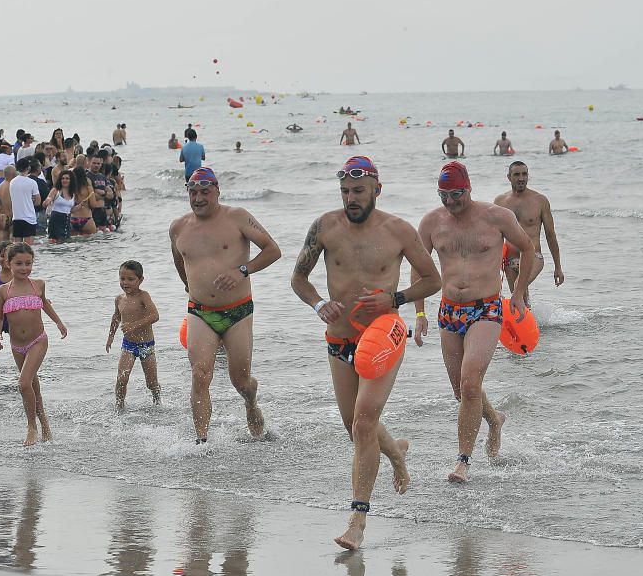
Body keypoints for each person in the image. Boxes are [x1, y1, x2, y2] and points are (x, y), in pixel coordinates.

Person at [290, 155, 442, 550]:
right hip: (340, 340)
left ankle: (358, 519)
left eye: (358, 191)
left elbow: (432, 279)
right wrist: (318, 303)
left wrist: (395, 297)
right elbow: (298, 277)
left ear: (377, 187)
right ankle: (396, 453)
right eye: (345, 192)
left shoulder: (399, 231)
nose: (351, 198)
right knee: (355, 427)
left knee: (363, 423)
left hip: (384, 334)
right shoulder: (324, 227)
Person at [413, 161, 535, 483]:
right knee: (462, 391)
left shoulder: (497, 217)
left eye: (456, 194)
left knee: (470, 383)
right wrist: (420, 313)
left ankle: (463, 462)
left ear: (468, 189)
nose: (450, 202)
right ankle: (494, 420)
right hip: (449, 312)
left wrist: (519, 294)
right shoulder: (430, 223)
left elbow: (527, 247)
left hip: (486, 309)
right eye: (444, 195)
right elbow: (419, 267)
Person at [169, 166, 282, 443]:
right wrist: (190, 286)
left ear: (217, 192)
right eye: (193, 192)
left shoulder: (238, 217)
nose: (198, 198)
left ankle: (251, 404)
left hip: (238, 312)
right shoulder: (178, 227)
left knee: (240, 382)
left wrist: (242, 270)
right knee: (200, 373)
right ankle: (202, 441)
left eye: (205, 192)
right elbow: (180, 261)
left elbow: (273, 250)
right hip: (199, 312)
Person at [0, 243, 68, 446]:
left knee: (23, 383)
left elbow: (45, 305)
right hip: (17, 346)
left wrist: (59, 322)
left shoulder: (38, 285)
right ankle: (45, 424)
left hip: (38, 341)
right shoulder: (2, 291)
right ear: (9, 263)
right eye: (19, 264)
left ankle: (31, 427)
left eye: (28, 263)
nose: (24, 268)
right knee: (32, 386)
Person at [493, 162, 564, 305]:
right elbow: (494, 236)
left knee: (519, 285)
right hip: (509, 260)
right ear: (509, 177)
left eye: (524, 174)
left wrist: (558, 266)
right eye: (517, 174)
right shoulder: (500, 201)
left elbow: (550, 235)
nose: (521, 178)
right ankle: (531, 323)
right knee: (521, 300)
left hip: (533, 256)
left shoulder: (540, 201)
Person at [106, 260, 161, 409]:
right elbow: (116, 317)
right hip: (128, 345)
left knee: (151, 382)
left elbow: (155, 316)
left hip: (146, 345)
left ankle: (157, 400)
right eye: (122, 278)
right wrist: (110, 337)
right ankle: (119, 406)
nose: (126, 283)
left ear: (140, 280)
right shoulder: (119, 299)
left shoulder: (143, 296)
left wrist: (133, 325)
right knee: (122, 378)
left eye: (131, 279)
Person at [9, 158, 42, 244]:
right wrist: (31, 202)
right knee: (28, 247)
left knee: (17, 247)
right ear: (28, 168)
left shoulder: (12, 182)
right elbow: (38, 201)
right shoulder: (32, 183)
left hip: (16, 218)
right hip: (29, 218)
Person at [44, 169, 76, 241]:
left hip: (66, 220)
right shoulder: (56, 190)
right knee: (54, 241)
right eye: (63, 178)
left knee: (66, 241)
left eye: (67, 178)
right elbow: (49, 198)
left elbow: (72, 209)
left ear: (71, 180)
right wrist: (48, 200)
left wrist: (81, 206)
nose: (64, 180)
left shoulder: (73, 194)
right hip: (56, 220)